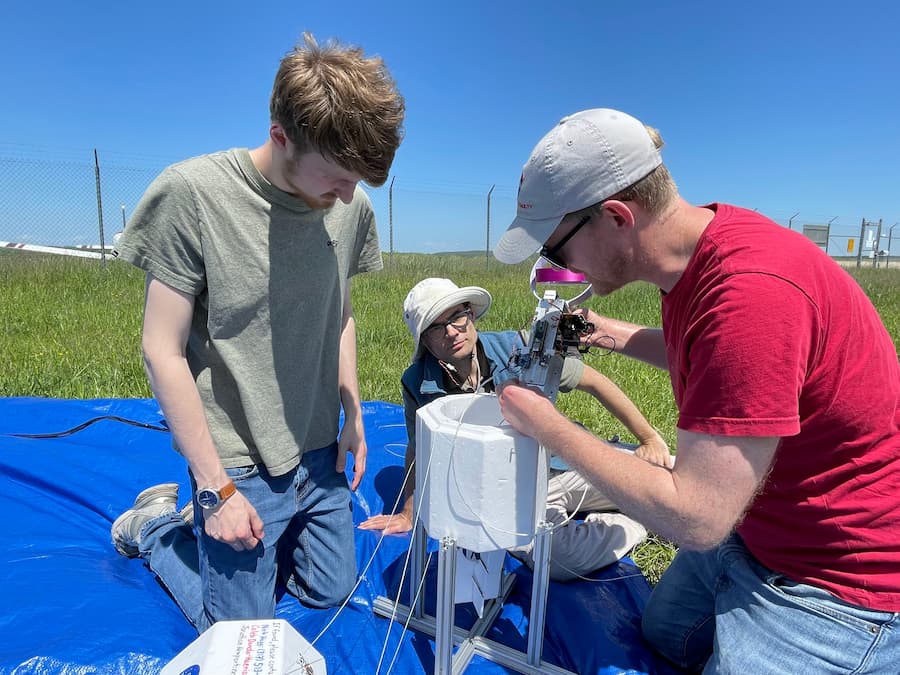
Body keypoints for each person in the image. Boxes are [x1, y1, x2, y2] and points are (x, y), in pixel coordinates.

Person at [492, 108, 900, 673]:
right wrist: (599, 332)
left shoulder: (751, 296)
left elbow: (698, 518)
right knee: (665, 635)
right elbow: (705, 351)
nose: (555, 265)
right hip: (758, 528)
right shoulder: (699, 255)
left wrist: (547, 423)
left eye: (556, 251)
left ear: (616, 217)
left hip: (836, 577)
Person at [109, 33, 405, 633]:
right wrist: (215, 490)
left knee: (330, 591)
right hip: (237, 457)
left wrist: (352, 413)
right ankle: (160, 527)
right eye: (338, 178)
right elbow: (160, 349)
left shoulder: (350, 207)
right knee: (244, 635)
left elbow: (340, 311)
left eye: (360, 183)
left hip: (318, 445)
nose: (349, 197)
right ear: (281, 137)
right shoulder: (194, 196)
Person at [359, 277, 670, 581]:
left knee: (665, 477)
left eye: (457, 316)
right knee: (557, 559)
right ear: (424, 340)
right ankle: (634, 520)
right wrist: (409, 511)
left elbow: (595, 383)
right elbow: (418, 448)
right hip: (508, 493)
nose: (452, 332)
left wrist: (649, 438)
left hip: (564, 462)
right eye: (437, 327)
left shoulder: (517, 347)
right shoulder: (418, 383)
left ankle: (638, 500)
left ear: (471, 314)